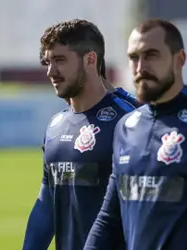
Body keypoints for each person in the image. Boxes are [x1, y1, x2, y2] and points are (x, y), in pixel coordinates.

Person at [22, 19, 135, 250]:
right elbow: (46, 205)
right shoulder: (56, 125)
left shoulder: (129, 122)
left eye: (60, 60)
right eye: (48, 62)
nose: (51, 72)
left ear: (90, 60)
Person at [84, 19, 187, 250]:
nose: (140, 67)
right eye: (133, 57)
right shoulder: (126, 126)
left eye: (151, 55)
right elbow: (110, 219)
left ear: (179, 59)